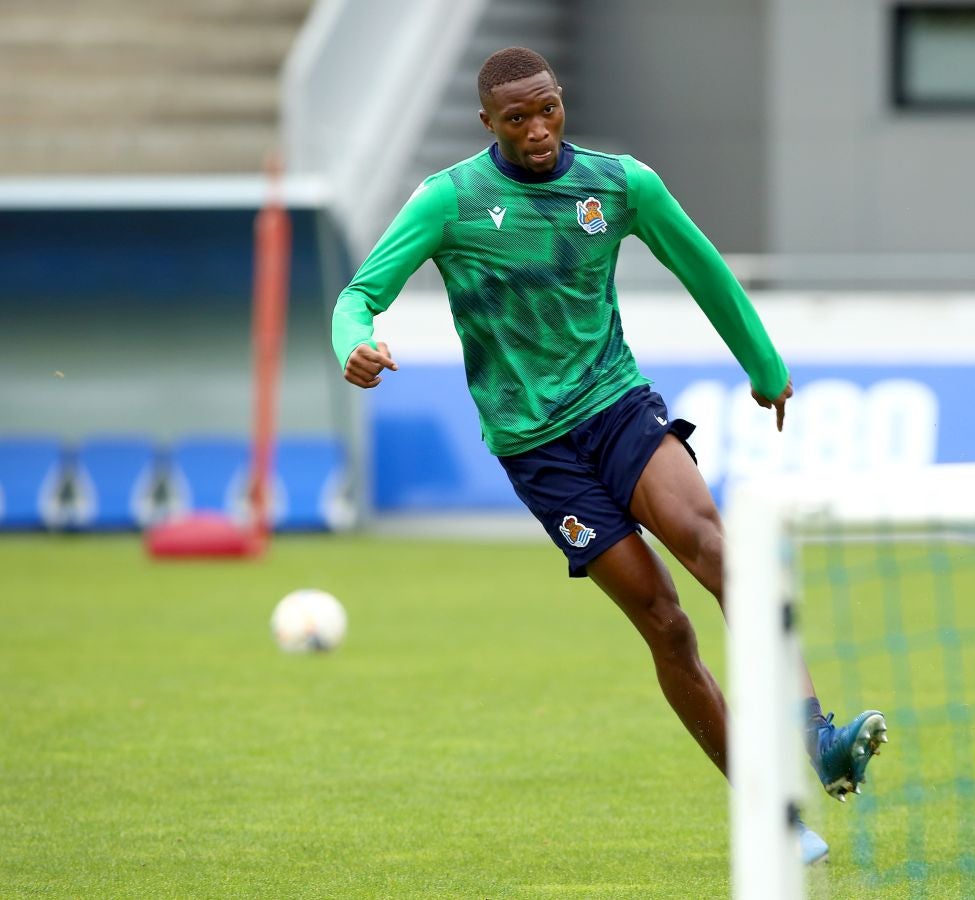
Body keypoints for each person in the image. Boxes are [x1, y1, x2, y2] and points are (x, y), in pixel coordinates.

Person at [331, 46, 887, 865]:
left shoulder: (622, 183)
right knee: (665, 625)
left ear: (560, 102)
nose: (537, 130)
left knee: (716, 548)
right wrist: (357, 342)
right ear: (487, 123)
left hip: (616, 406)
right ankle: (768, 818)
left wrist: (763, 364)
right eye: (516, 118)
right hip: (536, 450)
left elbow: (701, 268)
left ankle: (819, 736)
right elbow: (359, 294)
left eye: (547, 108)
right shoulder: (447, 201)